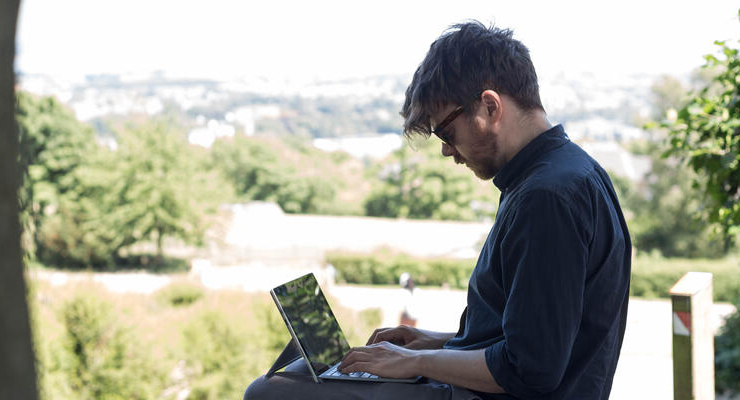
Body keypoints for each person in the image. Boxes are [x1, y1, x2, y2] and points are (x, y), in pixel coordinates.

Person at [245, 20, 631, 400]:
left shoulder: (546, 198)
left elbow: (531, 369)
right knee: (306, 373)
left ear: (490, 106)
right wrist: (432, 343)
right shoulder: (567, 172)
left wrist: (419, 362)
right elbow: (535, 336)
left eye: (446, 133)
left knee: (269, 391)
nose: (447, 150)